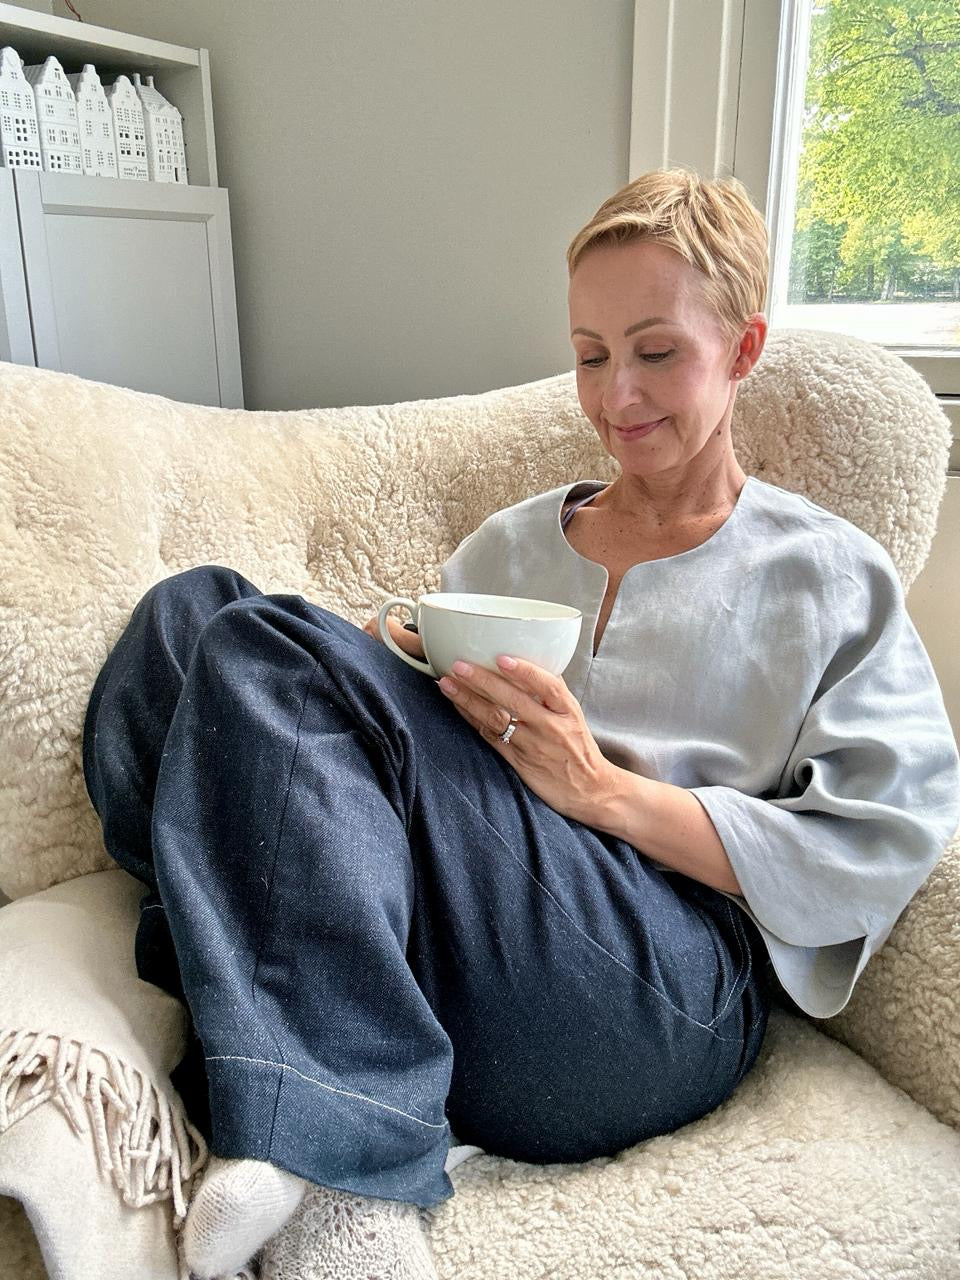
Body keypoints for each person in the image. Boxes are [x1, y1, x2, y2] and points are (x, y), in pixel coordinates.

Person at [81, 167, 960, 1280]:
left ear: (742, 350)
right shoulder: (510, 543)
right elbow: (414, 748)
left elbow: (875, 844)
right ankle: (297, 1031)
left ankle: (343, 1179)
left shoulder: (829, 576)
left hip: (657, 995)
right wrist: (388, 653)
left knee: (266, 652)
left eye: (656, 352)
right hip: (464, 939)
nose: (617, 395)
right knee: (191, 614)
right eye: (591, 356)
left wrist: (602, 790)